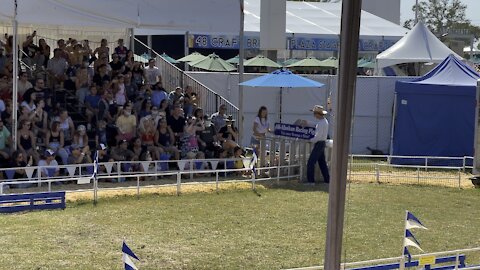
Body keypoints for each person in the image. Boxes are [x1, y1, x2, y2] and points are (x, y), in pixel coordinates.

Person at [300, 105, 330, 185]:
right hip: (321, 143)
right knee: (322, 163)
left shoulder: (321, 123)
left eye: (314, 113)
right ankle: (327, 180)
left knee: (311, 162)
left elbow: (318, 136)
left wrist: (309, 140)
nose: (314, 115)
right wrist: (308, 122)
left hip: (319, 143)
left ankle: (311, 181)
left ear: (317, 114)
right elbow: (316, 125)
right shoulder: (323, 121)